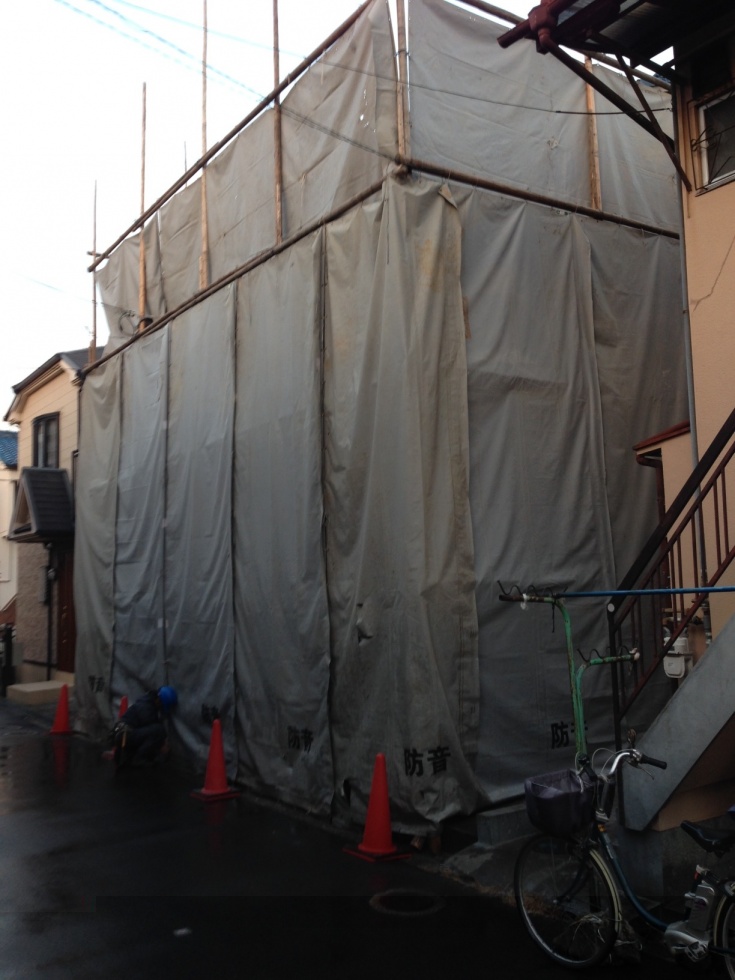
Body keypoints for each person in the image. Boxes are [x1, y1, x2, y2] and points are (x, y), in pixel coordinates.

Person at [113, 686, 177, 767]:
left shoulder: (147, 702)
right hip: (124, 736)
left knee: (157, 732)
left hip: (125, 736)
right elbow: (153, 728)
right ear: (158, 700)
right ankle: (139, 759)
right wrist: (162, 744)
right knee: (159, 731)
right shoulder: (145, 706)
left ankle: (134, 759)